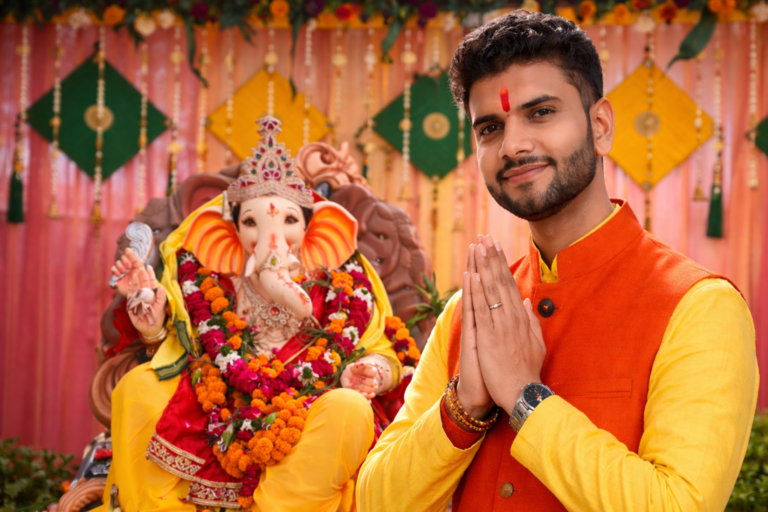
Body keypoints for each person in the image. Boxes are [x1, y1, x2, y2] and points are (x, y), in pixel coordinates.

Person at [357, 11, 758, 511]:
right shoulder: (467, 314)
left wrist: (524, 396)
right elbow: (374, 501)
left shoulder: (698, 308)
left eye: (541, 112)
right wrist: (464, 409)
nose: (513, 145)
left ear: (600, 126)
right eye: (490, 128)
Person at [97, 116, 412, 511]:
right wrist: (152, 326)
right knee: (137, 388)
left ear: (318, 231)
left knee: (350, 409)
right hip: (218, 406)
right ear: (226, 235)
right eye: (251, 222)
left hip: (313, 405)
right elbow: (182, 349)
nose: (271, 237)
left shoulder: (342, 288)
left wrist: (371, 372)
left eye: (289, 220)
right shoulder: (212, 283)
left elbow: (383, 352)